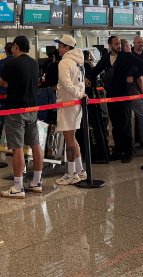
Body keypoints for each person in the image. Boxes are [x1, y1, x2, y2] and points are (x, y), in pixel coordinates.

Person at [0, 36, 43, 198]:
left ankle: (18, 187)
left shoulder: (11, 63)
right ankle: (36, 183)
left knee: (17, 149)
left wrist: (5, 83)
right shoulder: (34, 63)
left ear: (15, 46)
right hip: (32, 110)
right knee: (35, 145)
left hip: (16, 110)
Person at [87, 35, 142, 163]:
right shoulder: (106, 59)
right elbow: (96, 71)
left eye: (119, 44)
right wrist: (88, 77)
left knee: (125, 122)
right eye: (116, 44)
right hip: (111, 94)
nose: (119, 46)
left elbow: (142, 64)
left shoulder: (126, 56)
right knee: (115, 123)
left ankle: (129, 151)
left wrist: (132, 77)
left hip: (124, 94)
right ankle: (118, 150)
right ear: (110, 46)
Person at [53, 35, 87, 185]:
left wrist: (78, 94)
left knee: (69, 141)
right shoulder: (79, 62)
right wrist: (79, 95)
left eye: (60, 45)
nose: (58, 48)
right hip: (76, 104)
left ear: (67, 48)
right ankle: (80, 170)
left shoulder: (64, 62)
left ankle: (71, 174)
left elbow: (67, 85)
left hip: (68, 104)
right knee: (73, 138)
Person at [0, 42, 14, 109]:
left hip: (1, 91)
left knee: (2, 113)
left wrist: (3, 83)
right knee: (14, 113)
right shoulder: (18, 62)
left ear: (6, 52)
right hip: (14, 91)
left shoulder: (0, 63)